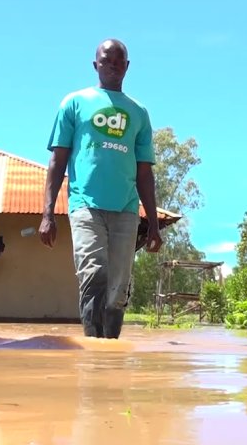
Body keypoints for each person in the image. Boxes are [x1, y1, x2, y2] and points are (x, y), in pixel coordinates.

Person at [39, 39, 163, 339]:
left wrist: (155, 225)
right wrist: (47, 213)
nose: (113, 65)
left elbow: (144, 173)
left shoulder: (139, 112)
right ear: (96, 64)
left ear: (128, 66)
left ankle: (109, 357)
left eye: (120, 61)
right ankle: (93, 350)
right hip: (85, 205)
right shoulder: (74, 103)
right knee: (93, 275)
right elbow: (57, 160)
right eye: (107, 60)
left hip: (126, 210)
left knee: (118, 289)